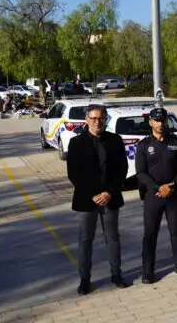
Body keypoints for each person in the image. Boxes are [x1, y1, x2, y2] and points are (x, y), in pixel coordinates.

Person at [66, 105, 130, 295]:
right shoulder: (76, 143)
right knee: (85, 240)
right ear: (86, 120)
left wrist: (109, 193)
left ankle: (116, 274)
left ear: (106, 119)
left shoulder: (115, 141)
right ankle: (85, 279)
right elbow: (74, 174)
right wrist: (92, 195)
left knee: (112, 238)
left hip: (110, 198)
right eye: (93, 118)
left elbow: (122, 170)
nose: (97, 122)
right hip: (87, 201)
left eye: (101, 118)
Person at [136, 108, 177, 283]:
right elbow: (140, 172)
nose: (161, 124)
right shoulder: (144, 145)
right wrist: (157, 187)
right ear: (151, 122)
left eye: (163, 120)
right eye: (157, 121)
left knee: (176, 232)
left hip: (174, 194)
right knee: (150, 234)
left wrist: (172, 185)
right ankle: (148, 271)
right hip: (153, 196)